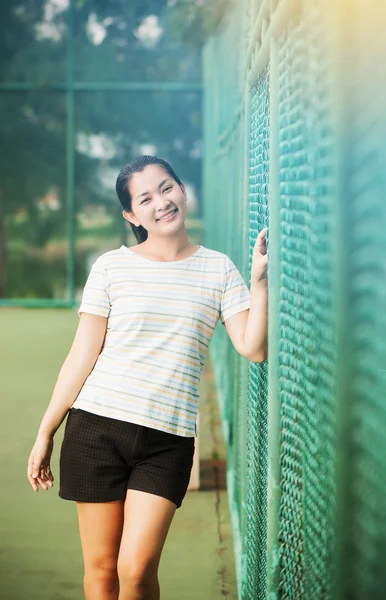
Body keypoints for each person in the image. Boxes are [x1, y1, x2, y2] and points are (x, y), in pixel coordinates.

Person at [26, 155, 268, 600]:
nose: (161, 202)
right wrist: (46, 431)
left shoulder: (219, 269)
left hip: (167, 441)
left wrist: (260, 281)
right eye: (146, 198)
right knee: (101, 571)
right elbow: (82, 355)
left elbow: (253, 348)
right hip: (96, 429)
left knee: (135, 570)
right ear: (131, 215)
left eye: (167, 187)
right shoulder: (111, 267)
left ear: (182, 190)